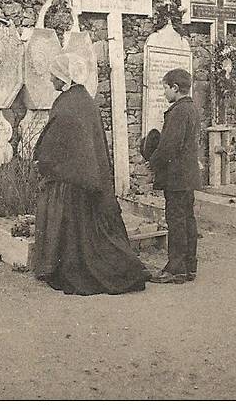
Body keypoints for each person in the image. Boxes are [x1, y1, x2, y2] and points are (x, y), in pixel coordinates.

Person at [31, 53, 149, 295]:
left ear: (63, 77)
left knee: (74, 234)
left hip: (72, 182)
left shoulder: (67, 104)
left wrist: (43, 159)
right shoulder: (85, 100)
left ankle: (65, 268)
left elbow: (57, 140)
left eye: (53, 75)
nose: (51, 79)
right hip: (87, 178)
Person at [142, 68, 202, 284]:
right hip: (188, 175)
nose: (164, 93)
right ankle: (189, 266)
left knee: (176, 221)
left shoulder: (177, 111)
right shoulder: (192, 109)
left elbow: (169, 147)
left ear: (175, 88)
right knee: (188, 220)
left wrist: (152, 164)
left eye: (165, 88)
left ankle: (175, 269)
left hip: (176, 176)